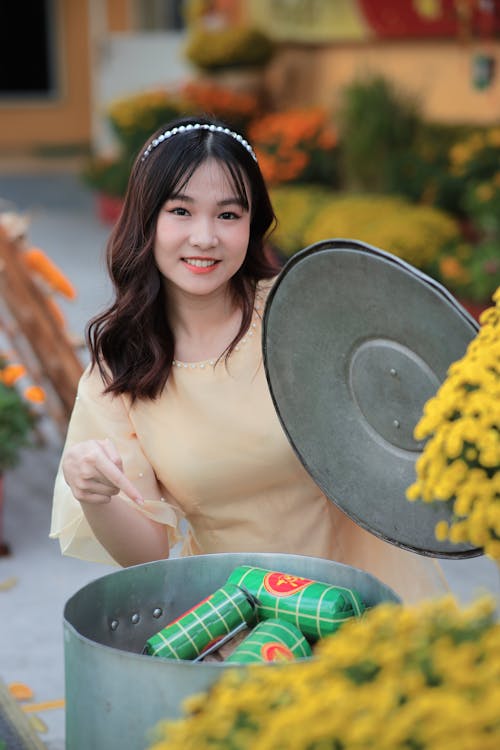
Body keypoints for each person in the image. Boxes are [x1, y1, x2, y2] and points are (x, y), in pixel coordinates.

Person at [50, 115, 447, 603]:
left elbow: (400, 411)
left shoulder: (299, 312)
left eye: (228, 215)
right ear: (146, 220)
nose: (204, 237)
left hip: (358, 596)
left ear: (252, 224)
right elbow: (147, 553)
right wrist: (94, 494)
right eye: (180, 211)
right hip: (236, 619)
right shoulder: (122, 368)